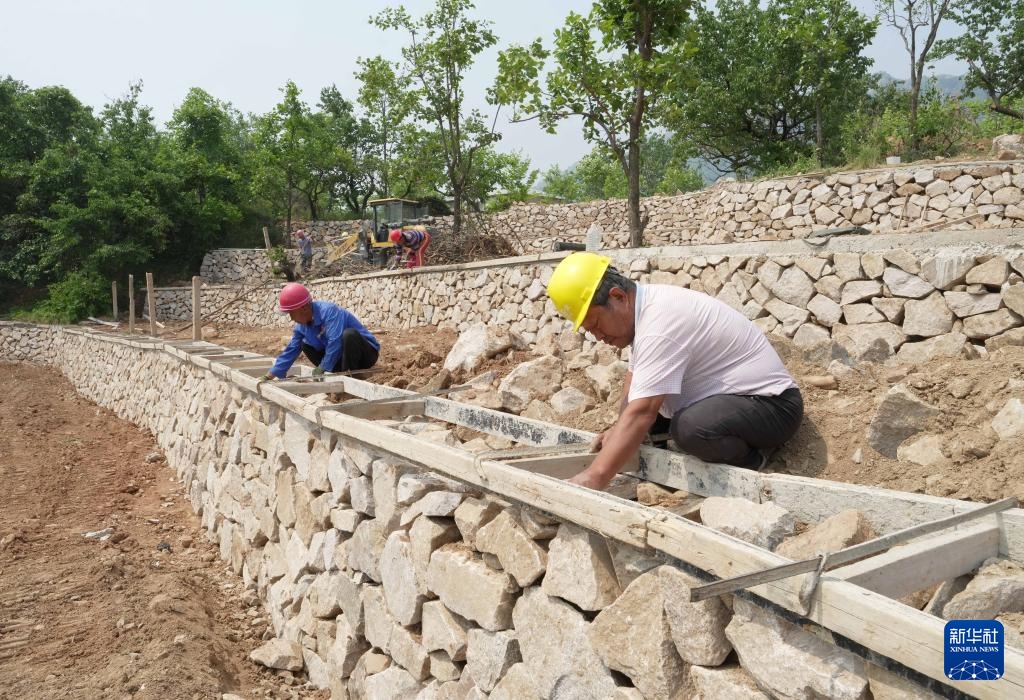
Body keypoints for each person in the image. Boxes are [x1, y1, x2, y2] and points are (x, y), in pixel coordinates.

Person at [546, 252, 803, 490]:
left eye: (597, 324)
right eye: (590, 331)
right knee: (644, 415)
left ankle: (752, 460)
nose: (599, 336)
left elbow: (643, 412)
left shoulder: (660, 321)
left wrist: (595, 477)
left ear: (617, 296)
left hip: (773, 407)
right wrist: (616, 430)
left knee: (690, 429)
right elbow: (634, 377)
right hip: (731, 399)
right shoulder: (644, 310)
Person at [263, 283, 379, 380]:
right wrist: (271, 374)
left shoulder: (329, 311)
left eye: (292, 313)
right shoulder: (301, 326)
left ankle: (349, 378)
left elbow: (335, 341)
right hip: (341, 358)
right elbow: (291, 350)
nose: (292, 318)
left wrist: (323, 366)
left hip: (366, 355)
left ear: (304, 308)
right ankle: (336, 373)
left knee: (349, 335)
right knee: (304, 344)